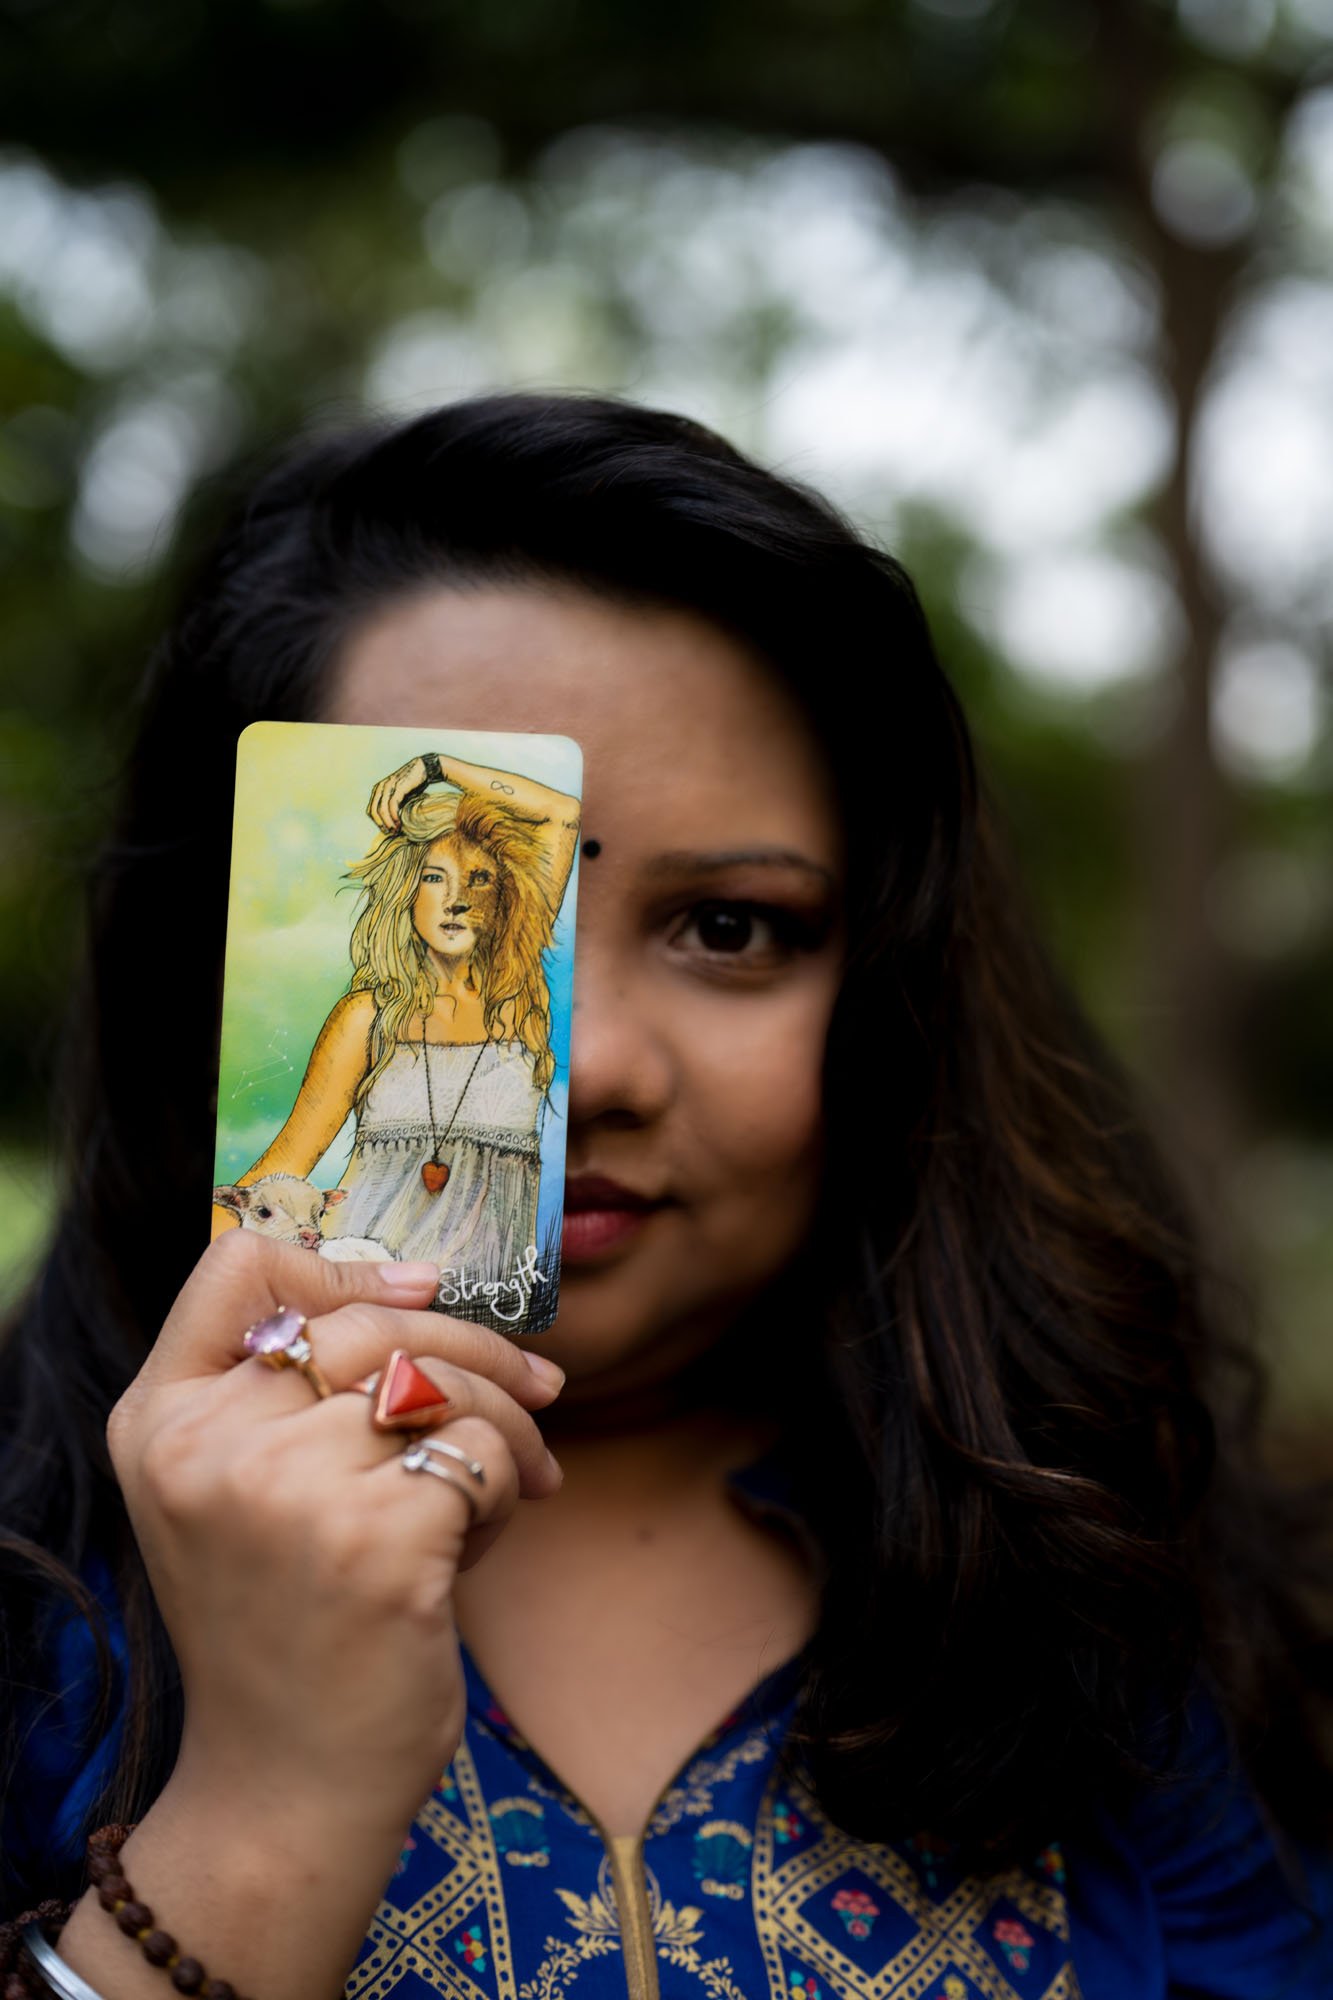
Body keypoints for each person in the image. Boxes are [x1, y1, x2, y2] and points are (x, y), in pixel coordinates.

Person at [2, 392, 1332, 2000]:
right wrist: (263, 1816)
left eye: (730, 928)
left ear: (891, 994)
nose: (602, 1065)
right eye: (470, 906)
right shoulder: (29, 1598)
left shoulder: (1111, 1591)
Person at [211, 747, 578, 1327]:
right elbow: (280, 1170)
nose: (457, 899)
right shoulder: (367, 1016)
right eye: (435, 877)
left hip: (490, 1304)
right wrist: (195, 1285)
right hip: (361, 1296)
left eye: (480, 879)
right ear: (408, 891)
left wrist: (435, 767)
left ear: (505, 899)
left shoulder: (517, 997)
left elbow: (562, 813)